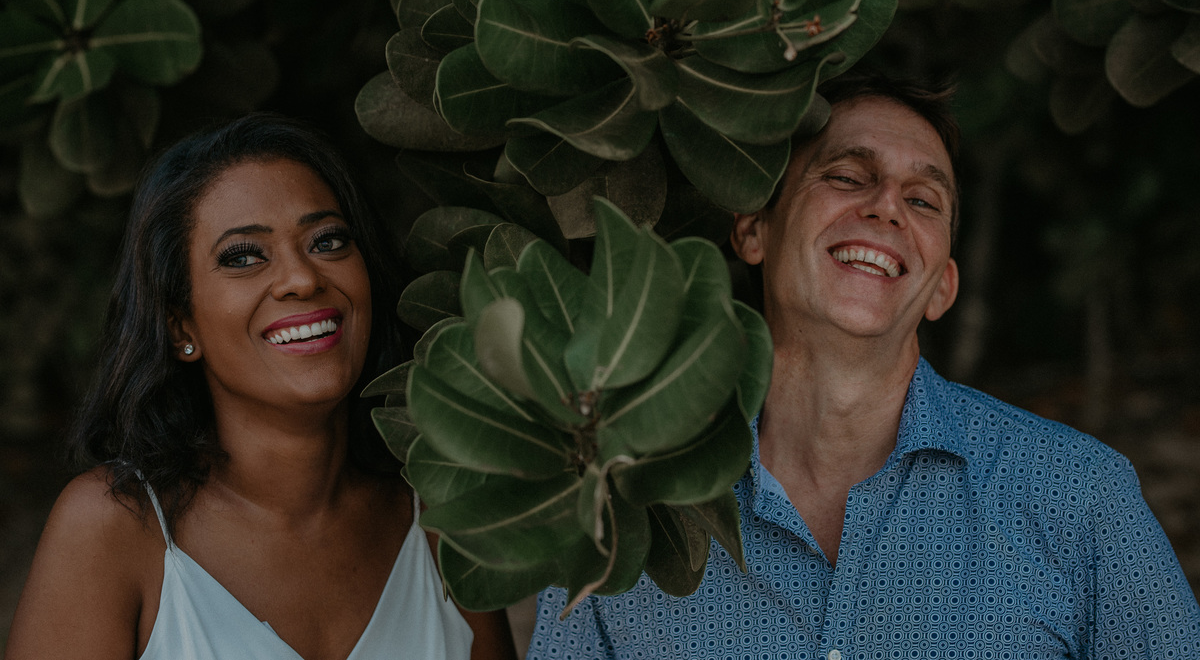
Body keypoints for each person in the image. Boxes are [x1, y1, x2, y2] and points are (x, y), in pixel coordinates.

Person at [525, 74, 1200, 658]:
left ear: (942, 285)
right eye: (848, 175)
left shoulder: (1079, 498)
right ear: (753, 228)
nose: (884, 205)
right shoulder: (625, 506)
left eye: (923, 199)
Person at [5, 115, 517, 660]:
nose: (302, 278)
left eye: (328, 241)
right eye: (243, 256)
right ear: (182, 325)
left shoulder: (441, 515)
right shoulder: (114, 528)